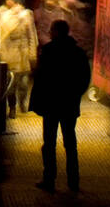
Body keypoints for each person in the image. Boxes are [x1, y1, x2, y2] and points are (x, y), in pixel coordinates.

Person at [30, 19, 92, 194]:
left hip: (51, 104)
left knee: (49, 143)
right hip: (69, 104)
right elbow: (84, 78)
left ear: (56, 32)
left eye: (51, 30)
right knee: (70, 144)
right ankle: (73, 181)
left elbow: (41, 78)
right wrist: (75, 94)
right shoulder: (78, 53)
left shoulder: (48, 51)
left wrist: (39, 100)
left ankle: (49, 179)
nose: (49, 33)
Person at [0, 0, 38, 118]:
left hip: (23, 54)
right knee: (11, 83)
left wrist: (32, 54)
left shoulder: (27, 16)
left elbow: (31, 35)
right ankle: (13, 107)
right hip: (10, 54)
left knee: (24, 82)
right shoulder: (3, 15)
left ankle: (22, 101)